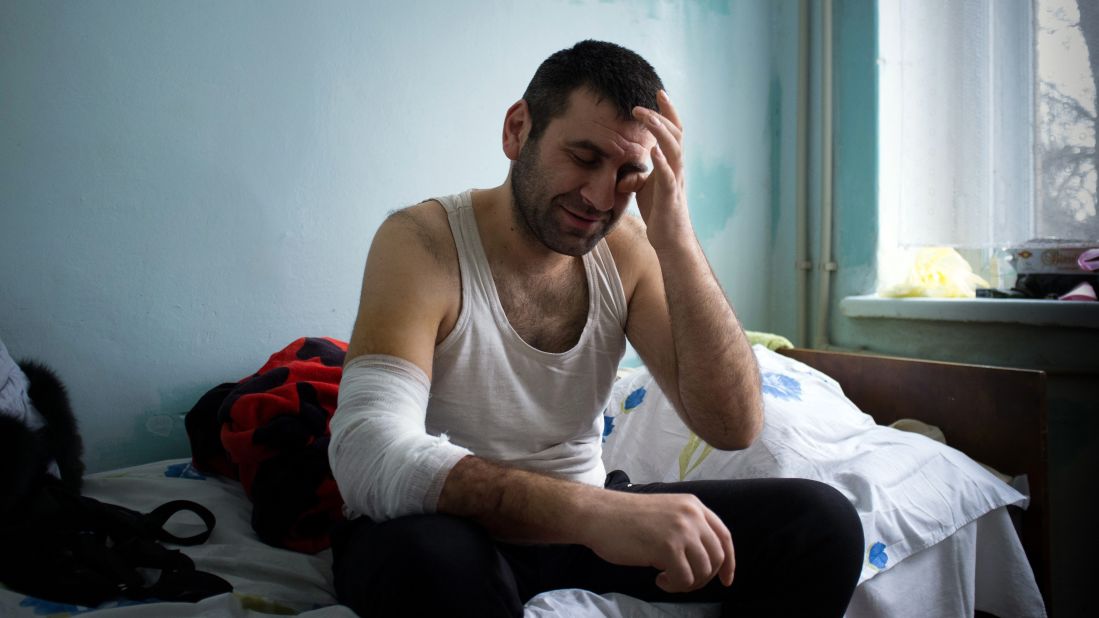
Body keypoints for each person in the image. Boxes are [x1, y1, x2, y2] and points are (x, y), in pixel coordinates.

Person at [327, 40, 863, 617]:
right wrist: (596, 513)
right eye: (584, 158)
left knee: (823, 525)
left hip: (582, 527)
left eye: (629, 173)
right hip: (450, 527)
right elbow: (366, 449)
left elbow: (734, 426)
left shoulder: (628, 250)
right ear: (517, 130)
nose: (601, 198)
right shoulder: (424, 241)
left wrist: (674, 235)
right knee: (438, 568)